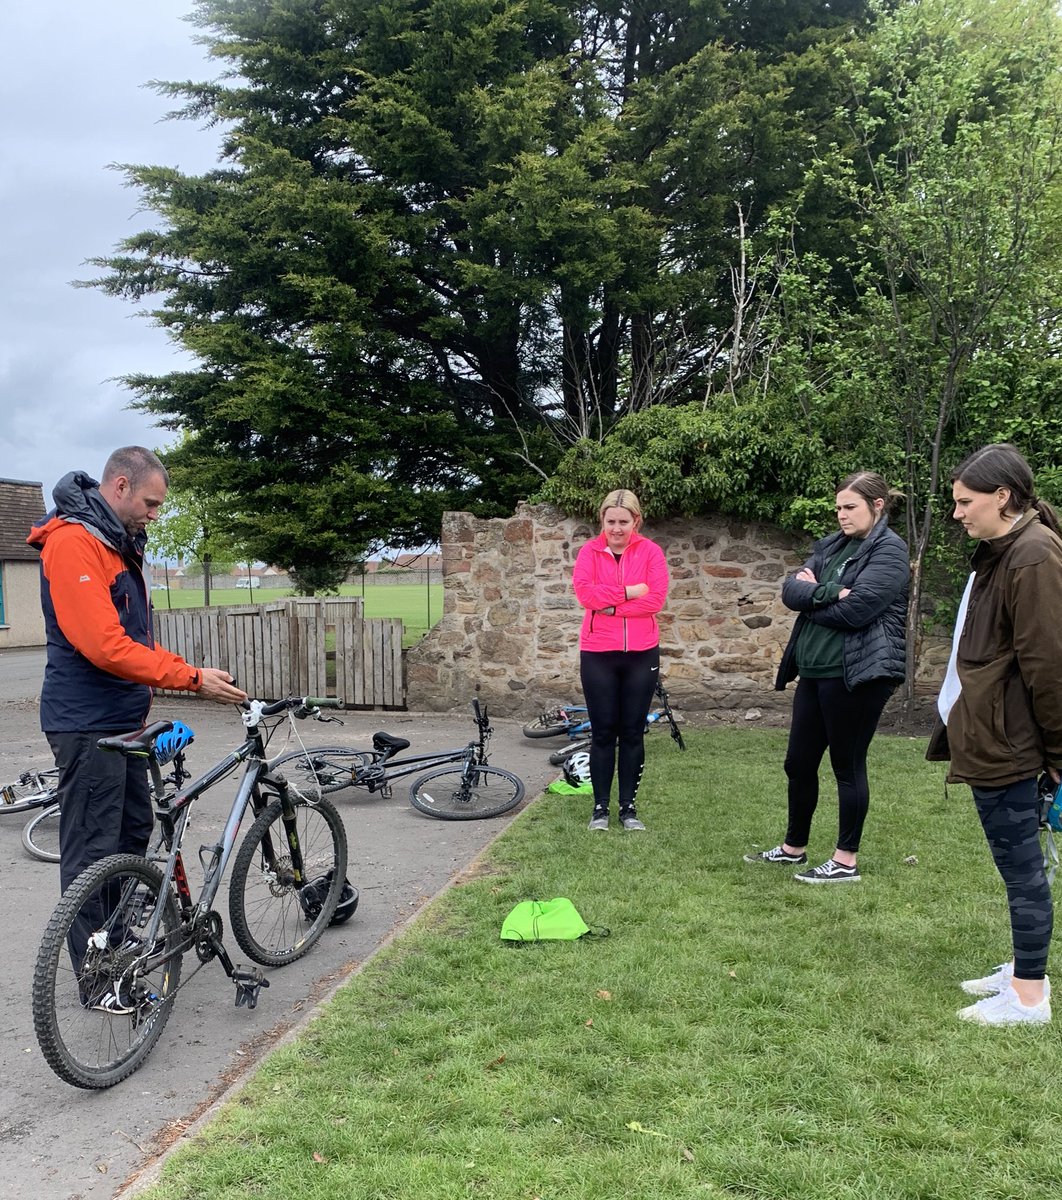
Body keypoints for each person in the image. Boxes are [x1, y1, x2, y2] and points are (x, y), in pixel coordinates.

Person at [28, 446, 248, 904]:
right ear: (121, 486)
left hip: (123, 721)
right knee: (94, 855)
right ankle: (97, 952)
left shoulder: (116, 544)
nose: (155, 515)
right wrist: (190, 679)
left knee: (131, 836)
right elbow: (104, 645)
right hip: (88, 725)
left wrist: (190, 671)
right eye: (150, 504)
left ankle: (125, 937)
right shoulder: (75, 542)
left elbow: (136, 642)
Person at [927, 444, 1062, 1026]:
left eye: (965, 501)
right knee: (1017, 868)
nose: (957, 513)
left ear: (1002, 496)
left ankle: (1029, 997)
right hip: (994, 735)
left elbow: (1049, 666)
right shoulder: (1003, 549)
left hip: (1014, 744)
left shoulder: (1033, 555)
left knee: (1024, 870)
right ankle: (1020, 970)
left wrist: (1056, 754)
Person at [745, 471, 908, 883]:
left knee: (846, 766)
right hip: (815, 672)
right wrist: (831, 592)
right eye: (838, 507)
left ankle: (845, 860)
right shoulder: (832, 545)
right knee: (798, 763)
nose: (841, 515)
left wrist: (814, 595)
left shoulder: (889, 550)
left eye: (850, 507)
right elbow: (790, 592)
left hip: (857, 675)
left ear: (877, 506)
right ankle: (793, 848)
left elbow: (859, 611)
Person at [572, 488, 669, 832]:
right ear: (602, 520)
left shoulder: (651, 552)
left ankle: (628, 808)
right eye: (610, 521)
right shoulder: (589, 552)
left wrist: (610, 607)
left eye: (623, 522)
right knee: (603, 732)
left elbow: (655, 600)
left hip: (641, 654)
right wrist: (628, 592)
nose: (616, 528)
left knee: (632, 732)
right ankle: (600, 808)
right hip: (598, 653)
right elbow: (586, 595)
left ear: (635, 521)